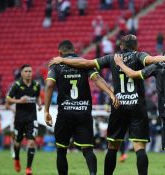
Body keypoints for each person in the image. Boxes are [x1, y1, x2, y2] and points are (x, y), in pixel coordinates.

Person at [49, 34, 165, 175]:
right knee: (140, 148)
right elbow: (154, 59)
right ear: (137, 46)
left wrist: (63, 59)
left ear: (121, 46)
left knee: (112, 147)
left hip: (118, 105)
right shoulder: (139, 56)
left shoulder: (111, 58)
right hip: (137, 106)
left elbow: (86, 63)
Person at [44, 40, 119, 175]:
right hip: (83, 112)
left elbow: (49, 85)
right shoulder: (84, 63)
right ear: (75, 51)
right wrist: (111, 94)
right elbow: (97, 79)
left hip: (65, 113)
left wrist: (46, 110)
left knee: (61, 150)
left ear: (60, 53)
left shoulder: (56, 64)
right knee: (87, 149)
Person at [5, 64, 42, 175]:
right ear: (21, 73)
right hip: (19, 119)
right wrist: (19, 101)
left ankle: (28, 169)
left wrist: (39, 104)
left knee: (31, 143)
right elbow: (8, 100)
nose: (28, 73)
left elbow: (38, 96)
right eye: (26, 71)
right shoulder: (17, 85)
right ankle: (16, 158)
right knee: (17, 143)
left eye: (30, 71)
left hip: (32, 118)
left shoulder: (36, 85)